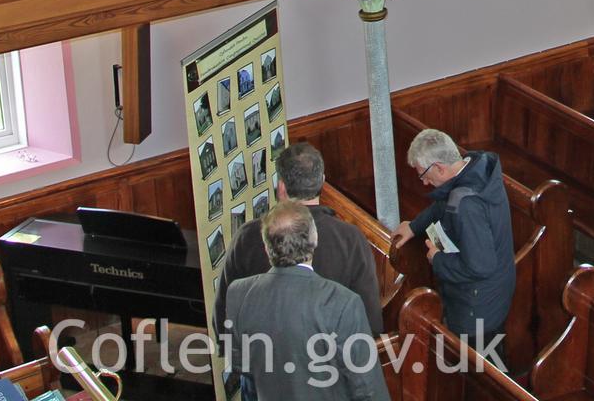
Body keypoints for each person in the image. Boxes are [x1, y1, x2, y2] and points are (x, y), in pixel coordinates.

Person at [215, 143, 384, 341]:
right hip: (330, 364)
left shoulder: (246, 237)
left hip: (262, 363)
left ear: (281, 187)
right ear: (322, 181)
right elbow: (370, 323)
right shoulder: (351, 239)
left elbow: (223, 319)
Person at [221, 202, 382, 401]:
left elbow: (240, 364)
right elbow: (369, 391)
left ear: (266, 246)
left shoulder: (238, 293)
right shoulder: (344, 302)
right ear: (314, 239)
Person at [389, 128, 516, 349]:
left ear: (439, 167)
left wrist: (437, 259)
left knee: (481, 371)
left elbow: (481, 266)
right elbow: (443, 202)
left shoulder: (467, 206)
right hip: (492, 293)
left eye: (424, 175)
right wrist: (414, 226)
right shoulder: (474, 167)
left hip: (478, 309)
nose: (425, 183)